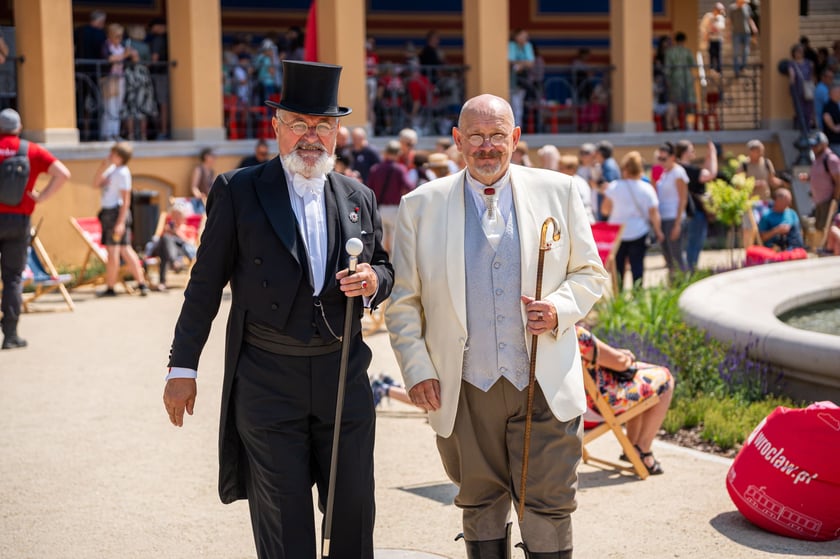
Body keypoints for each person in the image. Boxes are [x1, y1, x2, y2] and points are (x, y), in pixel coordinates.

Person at [162, 60, 393, 559]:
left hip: (343, 375)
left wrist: (375, 280)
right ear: (276, 127)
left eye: (323, 126)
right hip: (267, 379)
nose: (311, 137)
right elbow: (203, 286)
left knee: (353, 513)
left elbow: (383, 266)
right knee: (284, 523)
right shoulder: (238, 190)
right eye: (299, 124)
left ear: (337, 132)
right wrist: (183, 367)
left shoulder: (359, 195)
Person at [385, 93, 608, 558]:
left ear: (516, 138)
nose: (487, 147)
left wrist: (559, 308)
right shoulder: (420, 205)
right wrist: (417, 367)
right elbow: (404, 302)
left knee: (549, 503)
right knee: (479, 500)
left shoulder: (560, 190)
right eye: (476, 137)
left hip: (542, 379)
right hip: (463, 384)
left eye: (497, 136)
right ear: (457, 140)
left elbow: (591, 274)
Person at [0, 109, 71, 349]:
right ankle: (10, 335)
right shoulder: (30, 150)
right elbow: (63, 173)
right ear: (19, 128)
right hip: (19, 221)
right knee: (12, 278)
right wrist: (41, 197)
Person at [576, 325, 674, 475]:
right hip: (601, 403)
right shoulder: (575, 334)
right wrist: (624, 356)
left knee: (640, 381)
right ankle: (642, 450)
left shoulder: (546, 337)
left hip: (578, 402)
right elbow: (621, 363)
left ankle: (632, 448)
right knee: (666, 378)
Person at [92, 142, 149, 297]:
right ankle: (141, 284)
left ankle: (111, 287)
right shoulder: (112, 170)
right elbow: (96, 183)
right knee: (124, 249)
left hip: (115, 213)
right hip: (110, 213)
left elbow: (126, 199)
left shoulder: (123, 173)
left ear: (121, 157)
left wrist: (120, 222)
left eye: (114, 153)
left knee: (114, 251)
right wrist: (103, 166)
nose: (110, 155)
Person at [601, 151, 664, 289]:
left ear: (624, 169)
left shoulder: (614, 187)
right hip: (639, 231)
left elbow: (605, 210)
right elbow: (654, 213)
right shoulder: (647, 188)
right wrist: (658, 231)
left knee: (618, 267)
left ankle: (619, 295)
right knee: (637, 266)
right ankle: (638, 296)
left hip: (617, 233)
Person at [676, 139, 717, 272]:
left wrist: (708, 158)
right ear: (684, 153)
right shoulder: (688, 169)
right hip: (695, 212)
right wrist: (714, 154)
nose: (693, 152)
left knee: (685, 244)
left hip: (682, 212)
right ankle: (691, 271)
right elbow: (711, 174)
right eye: (691, 150)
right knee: (695, 243)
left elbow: (703, 172)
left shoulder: (678, 168)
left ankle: (685, 271)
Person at [366, 139, 413, 254]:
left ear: (386, 152)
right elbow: (409, 186)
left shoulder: (375, 169)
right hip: (394, 209)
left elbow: (368, 188)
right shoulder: (399, 169)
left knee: (380, 240)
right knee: (394, 241)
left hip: (379, 208)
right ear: (398, 154)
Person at [145, 201, 197, 291]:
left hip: (179, 251)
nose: (175, 217)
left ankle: (162, 282)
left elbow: (191, 244)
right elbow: (157, 241)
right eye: (174, 215)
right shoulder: (168, 228)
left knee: (164, 250)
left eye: (178, 215)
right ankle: (174, 263)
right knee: (165, 240)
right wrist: (166, 232)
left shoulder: (189, 229)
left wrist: (176, 233)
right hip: (167, 251)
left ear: (183, 217)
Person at [740, 139, 784, 248]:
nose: (761, 153)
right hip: (750, 202)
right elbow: (738, 183)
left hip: (765, 201)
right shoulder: (744, 165)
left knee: (765, 228)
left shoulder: (766, 163)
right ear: (752, 151)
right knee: (750, 228)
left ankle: (765, 251)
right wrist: (754, 184)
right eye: (759, 151)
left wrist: (783, 182)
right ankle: (749, 252)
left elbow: (772, 180)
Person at [655, 141, 689, 276]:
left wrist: (677, 224)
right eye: (659, 158)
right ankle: (673, 284)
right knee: (668, 257)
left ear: (672, 157)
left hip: (673, 218)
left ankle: (682, 284)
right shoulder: (665, 173)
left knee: (676, 256)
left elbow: (683, 199)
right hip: (664, 218)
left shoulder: (678, 173)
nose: (661, 162)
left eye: (664, 159)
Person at [798, 132, 840, 233]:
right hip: (818, 202)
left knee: (828, 229)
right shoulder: (817, 159)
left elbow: (839, 181)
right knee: (820, 228)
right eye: (812, 145)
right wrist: (808, 178)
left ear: (824, 144)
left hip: (829, 201)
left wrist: (834, 200)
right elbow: (821, 176)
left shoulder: (831, 159)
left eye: (816, 145)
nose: (813, 148)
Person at [508, 28, 535, 128]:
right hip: (511, 79)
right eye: (522, 36)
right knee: (512, 104)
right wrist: (523, 63)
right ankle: (511, 127)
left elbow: (531, 63)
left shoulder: (527, 46)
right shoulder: (511, 45)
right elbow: (510, 60)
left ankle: (518, 127)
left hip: (523, 80)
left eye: (526, 36)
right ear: (516, 36)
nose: (525, 38)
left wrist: (520, 65)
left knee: (519, 105)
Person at [559, 154, 595, 224]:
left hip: (581, 221)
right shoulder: (580, 180)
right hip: (584, 219)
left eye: (562, 168)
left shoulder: (571, 182)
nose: (559, 171)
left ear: (572, 169)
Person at [788, 43, 816, 130]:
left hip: (807, 89)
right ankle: (802, 127)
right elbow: (791, 76)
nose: (799, 53)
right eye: (797, 51)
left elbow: (812, 76)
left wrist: (813, 87)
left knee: (809, 109)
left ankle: (808, 126)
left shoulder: (809, 63)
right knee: (800, 108)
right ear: (794, 53)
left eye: (801, 51)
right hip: (797, 89)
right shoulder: (791, 64)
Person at [728, 0, 758, 78]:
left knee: (746, 51)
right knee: (736, 53)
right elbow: (730, 21)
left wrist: (753, 27)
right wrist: (728, 32)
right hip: (736, 33)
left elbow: (749, 19)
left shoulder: (747, 7)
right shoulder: (732, 8)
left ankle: (743, 67)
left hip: (746, 33)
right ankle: (736, 71)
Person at [700, 3, 726, 74]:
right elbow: (703, 27)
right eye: (718, 10)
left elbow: (722, 27)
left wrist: (716, 27)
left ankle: (719, 70)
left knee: (718, 55)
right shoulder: (708, 16)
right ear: (715, 9)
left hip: (718, 39)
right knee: (711, 54)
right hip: (710, 39)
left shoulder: (721, 18)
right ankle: (711, 68)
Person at [189, 147, 216, 214]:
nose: (214, 158)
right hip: (200, 204)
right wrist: (199, 195)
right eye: (212, 155)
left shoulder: (211, 171)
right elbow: (194, 187)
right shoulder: (198, 170)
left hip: (209, 202)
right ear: (206, 156)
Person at [821, 83, 840, 155]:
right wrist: (834, 128)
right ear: (833, 93)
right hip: (834, 142)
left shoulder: (837, 104)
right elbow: (826, 117)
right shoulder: (828, 106)